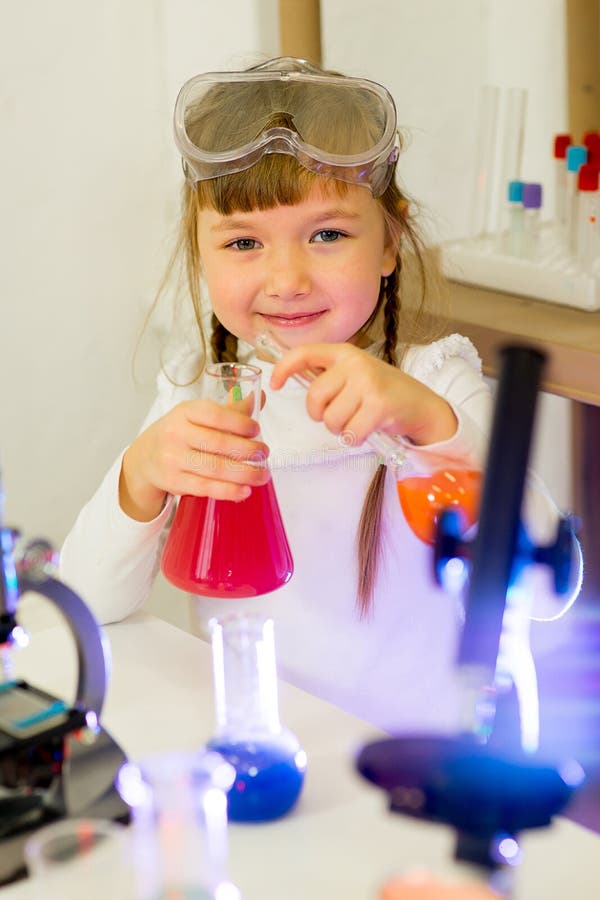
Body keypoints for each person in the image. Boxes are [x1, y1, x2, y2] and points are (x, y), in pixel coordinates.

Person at [60, 57, 575, 736]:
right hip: (262, 751)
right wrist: (140, 475)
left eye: (327, 234)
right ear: (200, 252)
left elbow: (547, 590)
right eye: (244, 241)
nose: (288, 279)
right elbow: (86, 603)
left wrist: (431, 426)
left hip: (420, 765)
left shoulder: (435, 382)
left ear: (389, 241)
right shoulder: (199, 391)